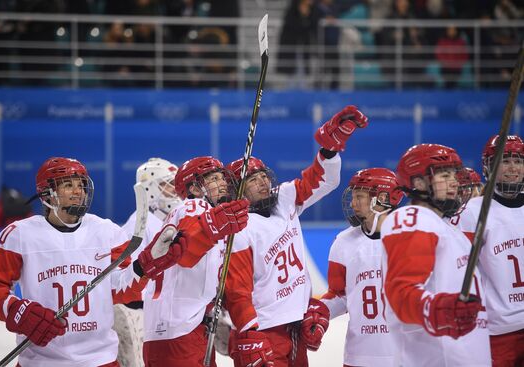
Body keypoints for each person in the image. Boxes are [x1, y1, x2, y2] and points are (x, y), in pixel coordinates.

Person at [0, 157, 185, 366]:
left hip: (99, 359)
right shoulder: (19, 235)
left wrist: (144, 266)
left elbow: (120, 288)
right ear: (46, 193)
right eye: (68, 185)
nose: (79, 192)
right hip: (40, 361)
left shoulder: (106, 231)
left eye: (81, 185)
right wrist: (18, 311)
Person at [224, 105, 369, 367]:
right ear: (238, 192)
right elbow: (236, 290)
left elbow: (322, 180)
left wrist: (329, 149)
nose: (262, 183)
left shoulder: (284, 199)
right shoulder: (239, 230)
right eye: (252, 180)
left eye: (263, 176)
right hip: (264, 331)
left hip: (296, 326)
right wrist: (248, 332)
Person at [380, 144, 491, 366]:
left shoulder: (450, 230)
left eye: (454, 174)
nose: (454, 182)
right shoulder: (414, 218)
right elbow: (401, 291)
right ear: (419, 182)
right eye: (444, 174)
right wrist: (437, 309)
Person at [141, 156, 250, 367]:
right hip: (177, 332)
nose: (222, 184)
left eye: (222, 178)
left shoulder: (206, 215)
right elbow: (185, 254)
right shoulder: (194, 207)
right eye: (213, 179)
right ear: (195, 189)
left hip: (185, 328)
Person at [320, 168, 403, 366]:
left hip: (405, 355)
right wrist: (318, 313)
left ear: (382, 198)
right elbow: (339, 294)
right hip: (359, 355)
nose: (353, 204)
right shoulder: (343, 242)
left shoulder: (410, 238)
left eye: (359, 197)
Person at [456, 135, 524, 366]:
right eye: (504, 161)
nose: (513, 168)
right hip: (498, 331)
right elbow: (457, 269)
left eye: (518, 161)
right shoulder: (471, 213)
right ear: (488, 166)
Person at [115, 157, 182, 367]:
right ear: (149, 189)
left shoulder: (171, 219)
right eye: (167, 184)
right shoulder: (139, 225)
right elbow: (128, 280)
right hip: (140, 313)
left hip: (165, 312)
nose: (174, 190)